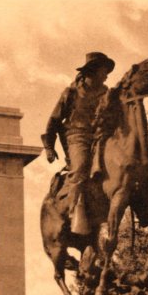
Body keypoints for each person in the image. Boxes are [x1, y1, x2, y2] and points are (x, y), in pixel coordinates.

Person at [42, 52, 115, 235]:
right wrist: (49, 148)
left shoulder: (106, 93)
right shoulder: (71, 93)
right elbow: (54, 120)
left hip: (99, 136)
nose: (106, 75)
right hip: (77, 136)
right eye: (104, 71)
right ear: (94, 71)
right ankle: (75, 211)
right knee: (81, 168)